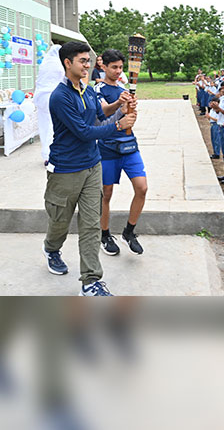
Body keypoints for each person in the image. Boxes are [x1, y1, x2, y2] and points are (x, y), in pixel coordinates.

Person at [43, 41, 136, 296]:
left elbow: (99, 115)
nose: (87, 65)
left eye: (88, 61)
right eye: (82, 61)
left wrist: (118, 106)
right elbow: (85, 132)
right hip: (66, 169)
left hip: (92, 165)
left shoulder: (86, 89)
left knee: (91, 224)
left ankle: (90, 281)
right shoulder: (60, 97)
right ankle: (52, 248)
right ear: (67, 63)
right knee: (60, 221)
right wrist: (118, 126)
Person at [95, 48, 147, 256]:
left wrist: (131, 110)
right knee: (106, 194)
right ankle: (104, 234)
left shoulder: (124, 88)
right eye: (114, 67)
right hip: (107, 147)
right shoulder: (97, 90)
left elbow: (130, 120)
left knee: (142, 188)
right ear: (103, 66)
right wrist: (119, 106)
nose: (118, 71)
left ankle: (129, 231)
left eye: (120, 68)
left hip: (129, 146)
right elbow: (101, 117)